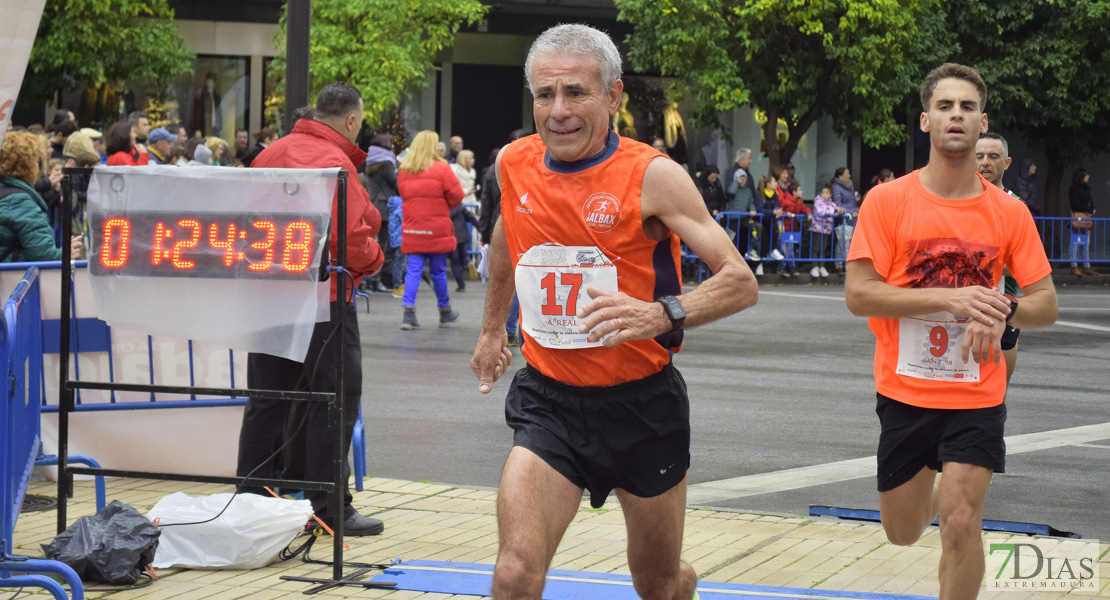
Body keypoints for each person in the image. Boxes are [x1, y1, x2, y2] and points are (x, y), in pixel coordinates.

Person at [469, 24, 758, 600]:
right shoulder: (513, 163)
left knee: (657, 583)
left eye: (576, 93)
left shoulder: (653, 176)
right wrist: (490, 331)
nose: (558, 111)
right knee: (513, 573)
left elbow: (740, 282)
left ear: (613, 96)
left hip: (642, 407)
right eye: (545, 95)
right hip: (549, 400)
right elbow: (507, 239)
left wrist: (660, 314)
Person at [844, 63, 1058, 600]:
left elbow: (1046, 305)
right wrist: (952, 297)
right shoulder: (887, 201)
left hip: (977, 391)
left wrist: (1002, 309)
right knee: (902, 531)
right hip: (905, 389)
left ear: (981, 122)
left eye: (967, 107)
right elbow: (859, 294)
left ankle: (958, 480)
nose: (956, 115)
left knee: (962, 522)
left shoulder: (1009, 213)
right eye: (945, 106)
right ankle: (937, 480)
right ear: (925, 121)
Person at [235, 82, 385, 537]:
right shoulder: (336, 162)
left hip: (269, 292)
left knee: (267, 398)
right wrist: (375, 259)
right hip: (325, 298)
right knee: (334, 399)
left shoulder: (269, 153)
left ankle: (252, 500)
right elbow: (353, 239)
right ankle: (328, 506)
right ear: (352, 120)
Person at [396, 130, 464, 329]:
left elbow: (403, 195)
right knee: (438, 271)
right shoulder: (442, 169)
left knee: (413, 270)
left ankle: (408, 314)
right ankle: (445, 312)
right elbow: (457, 196)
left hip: (413, 228)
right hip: (437, 229)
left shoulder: (404, 170)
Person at [975, 131, 1027, 386]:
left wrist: (977, 262)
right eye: (979, 156)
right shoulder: (954, 203)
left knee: (997, 394)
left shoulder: (1016, 207)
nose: (985, 162)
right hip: (958, 309)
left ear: (1006, 162)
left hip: (1003, 308)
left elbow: (1024, 263)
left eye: (993, 156)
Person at [0, 131, 83, 262]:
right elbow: (43, 255)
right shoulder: (21, 203)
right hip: (17, 280)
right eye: (36, 160)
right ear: (28, 165)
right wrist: (65, 253)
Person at [360, 133, 399, 291]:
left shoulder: (371, 160)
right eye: (391, 143)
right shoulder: (386, 162)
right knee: (381, 245)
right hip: (385, 207)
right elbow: (396, 184)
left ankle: (366, 280)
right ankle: (376, 280)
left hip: (373, 205)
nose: (393, 146)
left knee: (370, 243)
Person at [450, 149, 480, 292]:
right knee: (464, 256)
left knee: (455, 260)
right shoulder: (460, 207)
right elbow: (470, 217)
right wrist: (481, 227)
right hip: (463, 235)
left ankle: (461, 285)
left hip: (451, 236)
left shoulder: (447, 207)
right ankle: (468, 262)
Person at [1068, 168, 1097, 277]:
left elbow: (1090, 202)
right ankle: (1074, 266)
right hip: (1078, 219)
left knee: (1085, 243)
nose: (1088, 176)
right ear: (1081, 176)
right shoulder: (1074, 189)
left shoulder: (1085, 188)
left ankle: (1086, 266)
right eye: (1086, 175)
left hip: (1084, 219)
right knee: (1075, 243)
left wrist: (1091, 209)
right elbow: (1075, 204)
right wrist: (1090, 210)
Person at [830, 167, 858, 272]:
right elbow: (838, 205)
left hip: (854, 217)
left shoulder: (849, 184)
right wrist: (850, 213)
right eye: (847, 174)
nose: (849, 176)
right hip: (845, 219)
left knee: (851, 244)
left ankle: (850, 265)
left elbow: (851, 201)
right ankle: (839, 265)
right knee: (842, 244)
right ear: (840, 176)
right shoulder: (836, 187)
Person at [809, 185, 837, 278]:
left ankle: (821, 266)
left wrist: (841, 211)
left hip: (826, 229)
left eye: (827, 193)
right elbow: (822, 211)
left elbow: (836, 212)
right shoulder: (817, 201)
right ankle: (814, 266)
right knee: (815, 248)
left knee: (823, 249)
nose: (824, 195)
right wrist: (835, 211)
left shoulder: (832, 204)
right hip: (817, 228)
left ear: (830, 195)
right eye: (823, 193)